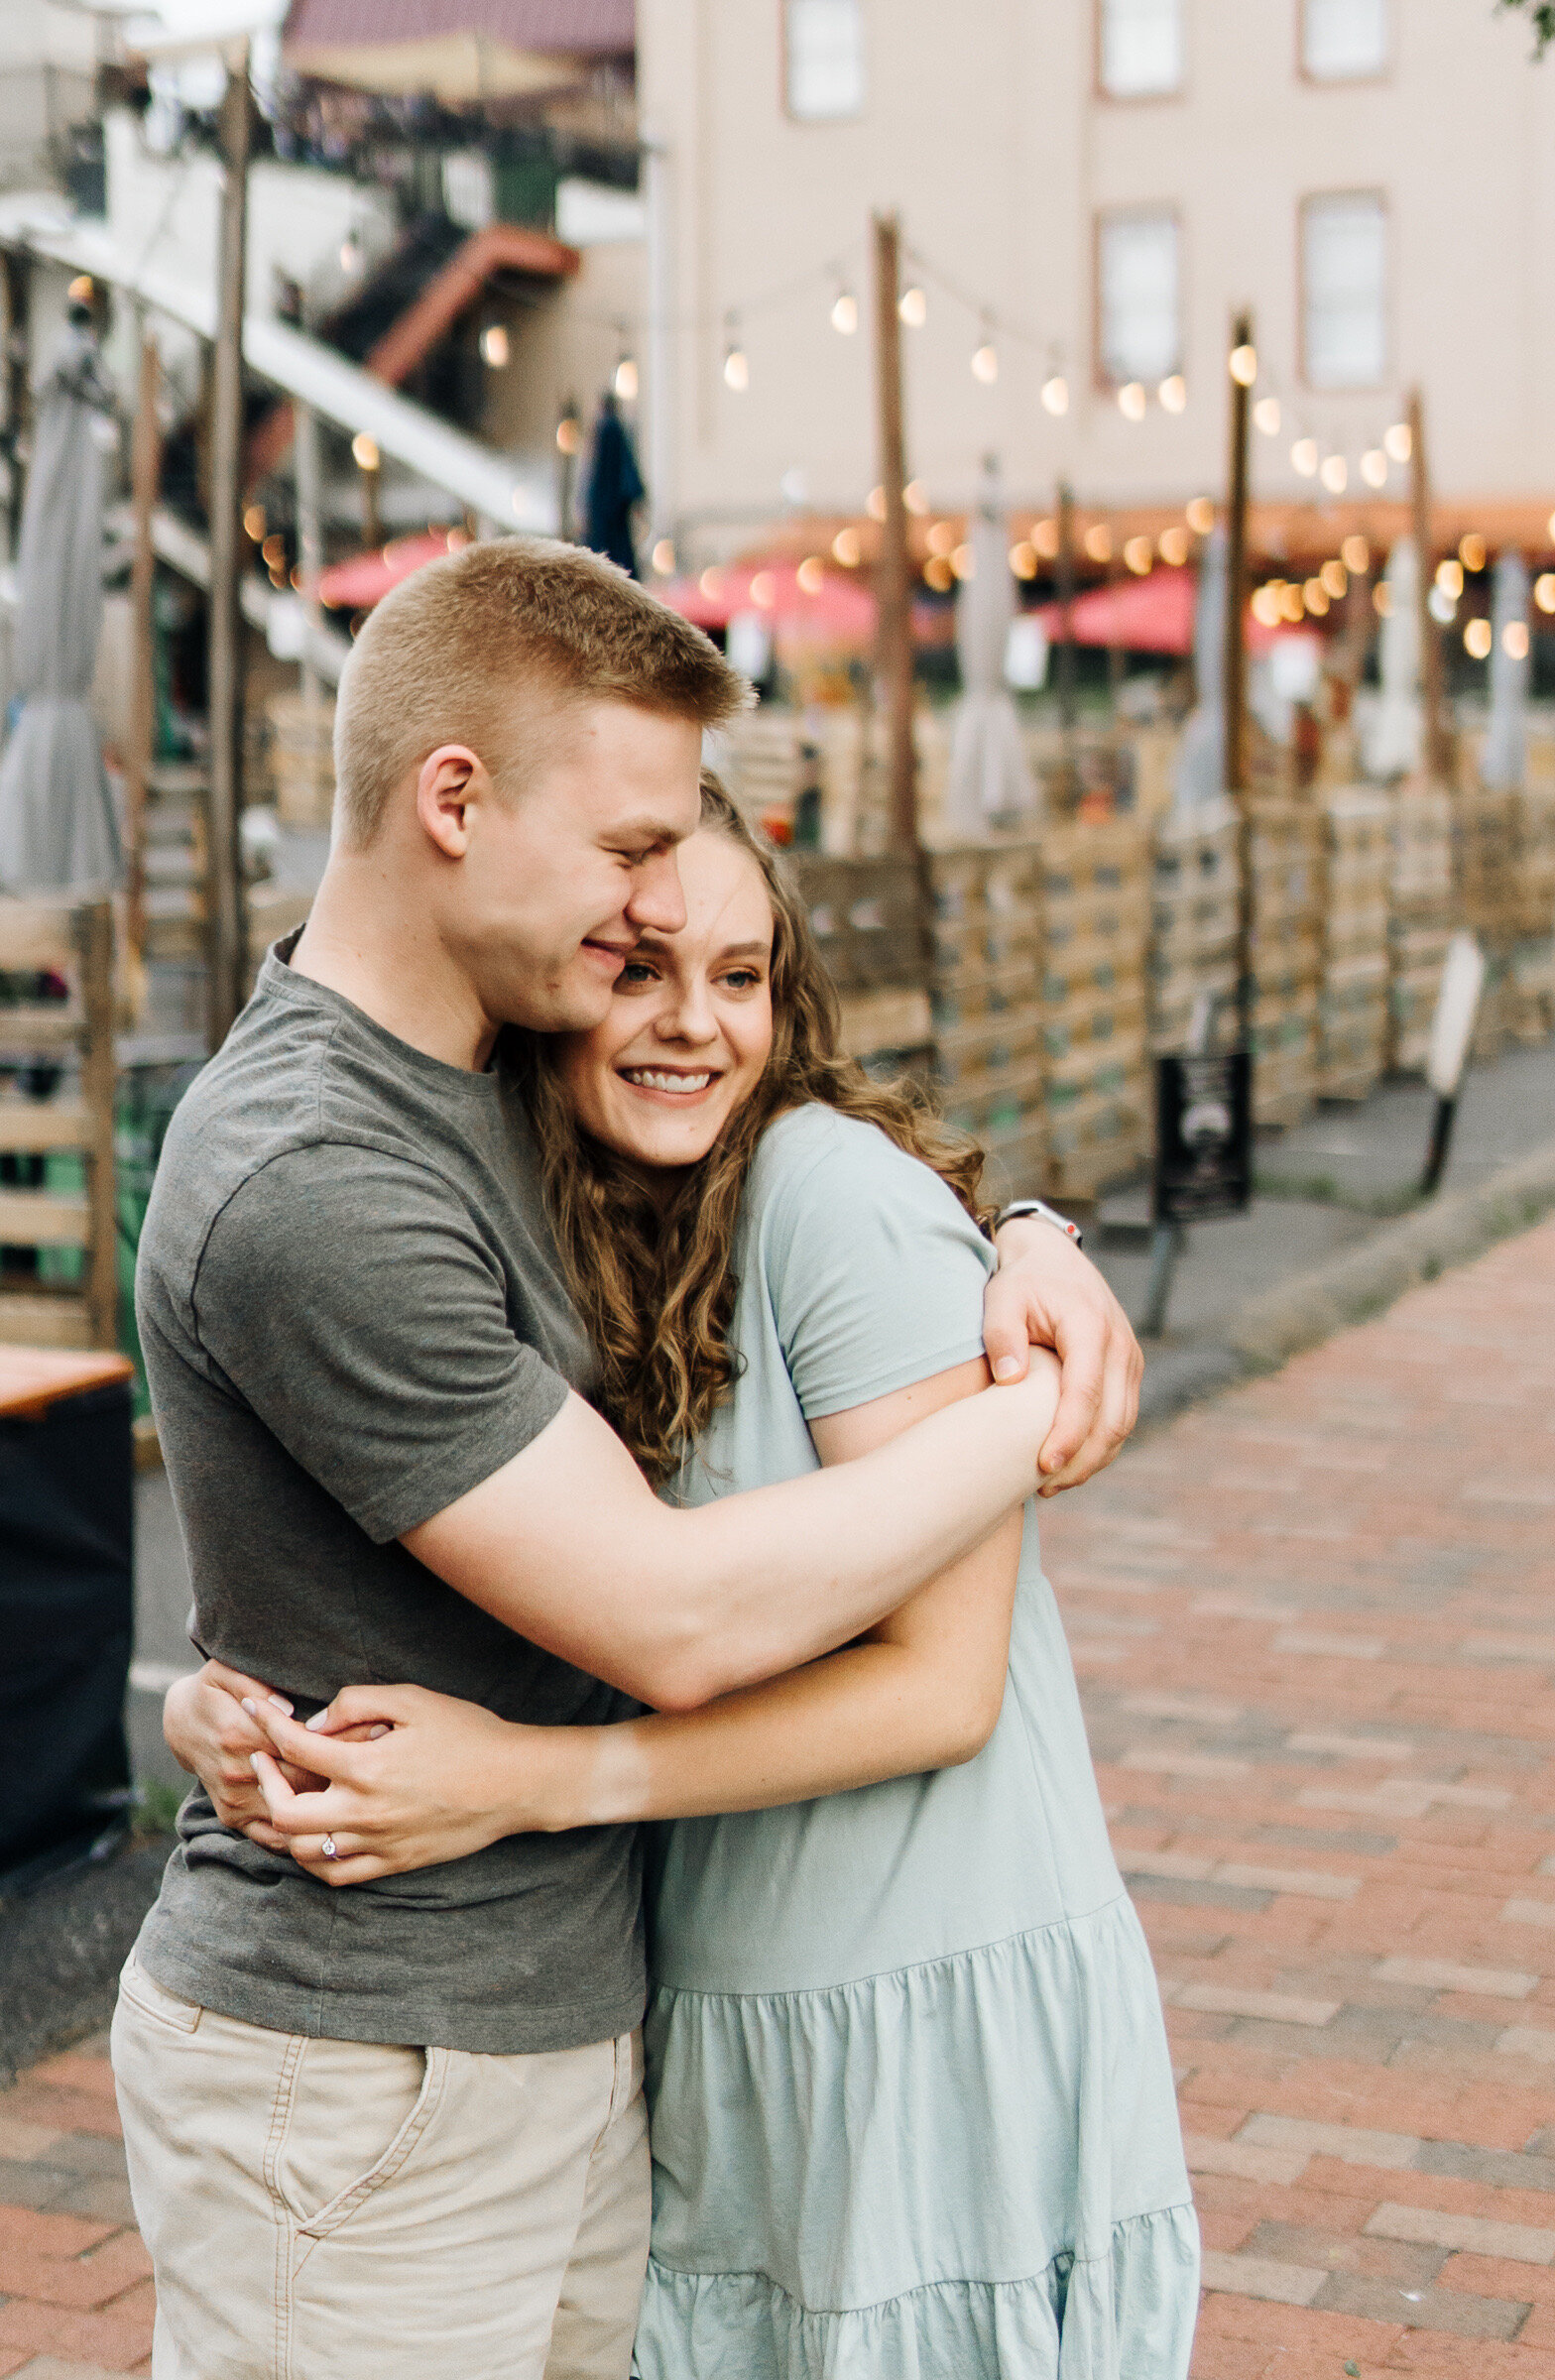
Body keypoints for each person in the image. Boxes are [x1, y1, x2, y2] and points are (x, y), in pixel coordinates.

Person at [119, 537, 1143, 2380]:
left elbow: (808, 1144)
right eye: (622, 865)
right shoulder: (318, 1172)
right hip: (372, 2070)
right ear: (455, 800)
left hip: (581, 2033)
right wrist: (1035, 1406)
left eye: (710, 934)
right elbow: (666, 1615)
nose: (644, 935)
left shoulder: (508, 1086)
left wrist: (1024, 1235)